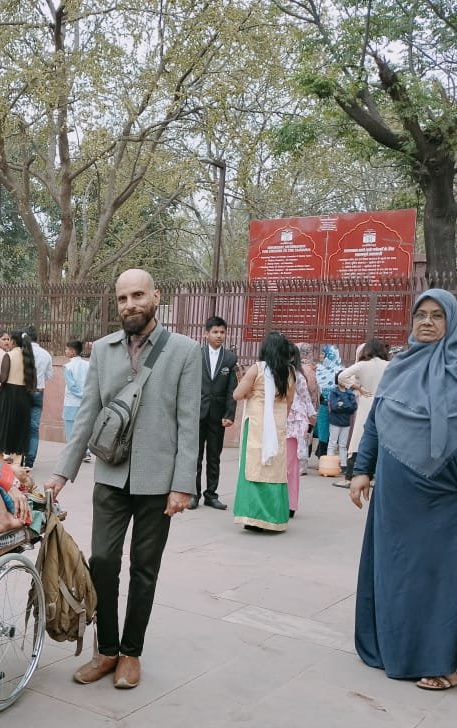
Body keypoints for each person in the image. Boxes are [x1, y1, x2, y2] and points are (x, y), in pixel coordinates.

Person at [349, 289, 457, 690]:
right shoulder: (399, 365)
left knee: (442, 576)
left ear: (452, 320)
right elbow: (377, 420)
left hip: (447, 495)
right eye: (420, 315)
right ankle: (397, 647)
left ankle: (448, 661)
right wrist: (362, 469)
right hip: (396, 495)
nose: (426, 322)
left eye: (437, 316)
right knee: (399, 572)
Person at [45, 268, 200, 690]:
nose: (129, 305)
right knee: (104, 563)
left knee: (145, 569)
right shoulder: (104, 351)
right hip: (111, 476)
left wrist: (183, 484)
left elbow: (189, 423)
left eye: (137, 296)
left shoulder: (185, 351)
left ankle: (131, 653)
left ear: (155, 296)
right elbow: (89, 415)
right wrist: (62, 472)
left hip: (158, 482)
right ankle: (106, 650)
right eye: (122, 299)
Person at [231, 331, 299, 532]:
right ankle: (274, 517)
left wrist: (247, 387)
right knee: (275, 471)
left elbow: (237, 395)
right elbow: (289, 402)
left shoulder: (257, 369)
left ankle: (253, 517)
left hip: (256, 425)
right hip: (277, 426)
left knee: (252, 467)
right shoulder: (290, 372)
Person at [192, 316, 237, 510]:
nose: (219, 335)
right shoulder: (196, 354)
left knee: (214, 455)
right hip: (197, 412)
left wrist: (230, 413)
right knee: (195, 456)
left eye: (222, 332)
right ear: (206, 334)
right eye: (215, 332)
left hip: (218, 415)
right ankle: (193, 494)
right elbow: (189, 383)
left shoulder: (229, 358)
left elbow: (231, 389)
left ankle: (211, 495)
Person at [335, 339, 390, 487]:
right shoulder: (389, 365)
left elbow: (342, 376)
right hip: (384, 403)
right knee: (382, 439)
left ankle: (351, 477)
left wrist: (358, 387)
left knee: (358, 440)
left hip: (366, 401)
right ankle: (377, 477)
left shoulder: (362, 365)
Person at [0, 331, 36, 462]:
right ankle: (17, 463)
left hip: (7, 394)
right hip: (23, 395)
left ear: (13, 341)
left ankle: (0, 463)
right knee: (19, 427)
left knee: (1, 426)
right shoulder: (28, 357)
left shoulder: (8, 355)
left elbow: (3, 378)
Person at [286, 343, 316, 516]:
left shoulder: (298, 376)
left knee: (291, 466)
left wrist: (311, 416)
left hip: (294, 424)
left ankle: (290, 504)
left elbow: (306, 399)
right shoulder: (278, 374)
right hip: (282, 422)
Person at [23, 326, 54, 468]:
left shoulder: (22, 353)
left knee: (20, 424)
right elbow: (50, 375)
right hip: (38, 391)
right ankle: (30, 462)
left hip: (23, 390)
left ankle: (19, 457)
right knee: (34, 428)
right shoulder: (46, 354)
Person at [61, 339, 90, 451]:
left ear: (72, 351)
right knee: (82, 428)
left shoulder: (68, 367)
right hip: (84, 403)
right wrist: (86, 395)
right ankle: (86, 451)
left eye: (67, 349)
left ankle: (72, 452)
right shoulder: (87, 364)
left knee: (70, 429)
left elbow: (72, 387)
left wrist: (81, 394)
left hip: (71, 402)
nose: (65, 351)